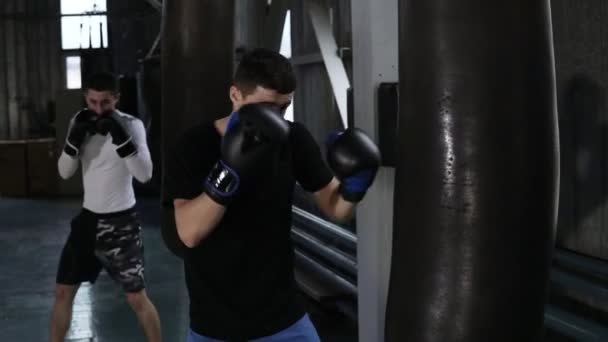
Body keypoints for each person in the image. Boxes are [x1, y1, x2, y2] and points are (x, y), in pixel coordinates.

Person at [162, 48, 380, 341]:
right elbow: (189, 233)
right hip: (216, 325)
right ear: (235, 94)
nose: (275, 119)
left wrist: (354, 186)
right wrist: (229, 170)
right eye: (265, 109)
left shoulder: (293, 139)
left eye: (283, 108)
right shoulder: (193, 146)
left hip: (285, 319)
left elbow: (336, 209)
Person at [50, 72, 162, 342]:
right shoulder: (79, 121)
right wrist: (73, 141)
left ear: (117, 98)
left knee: (137, 298)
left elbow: (145, 174)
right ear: (86, 97)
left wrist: (122, 140)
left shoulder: (131, 125)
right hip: (87, 222)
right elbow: (65, 172)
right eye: (93, 101)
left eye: (106, 102)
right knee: (63, 292)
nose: (99, 109)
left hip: (122, 224)